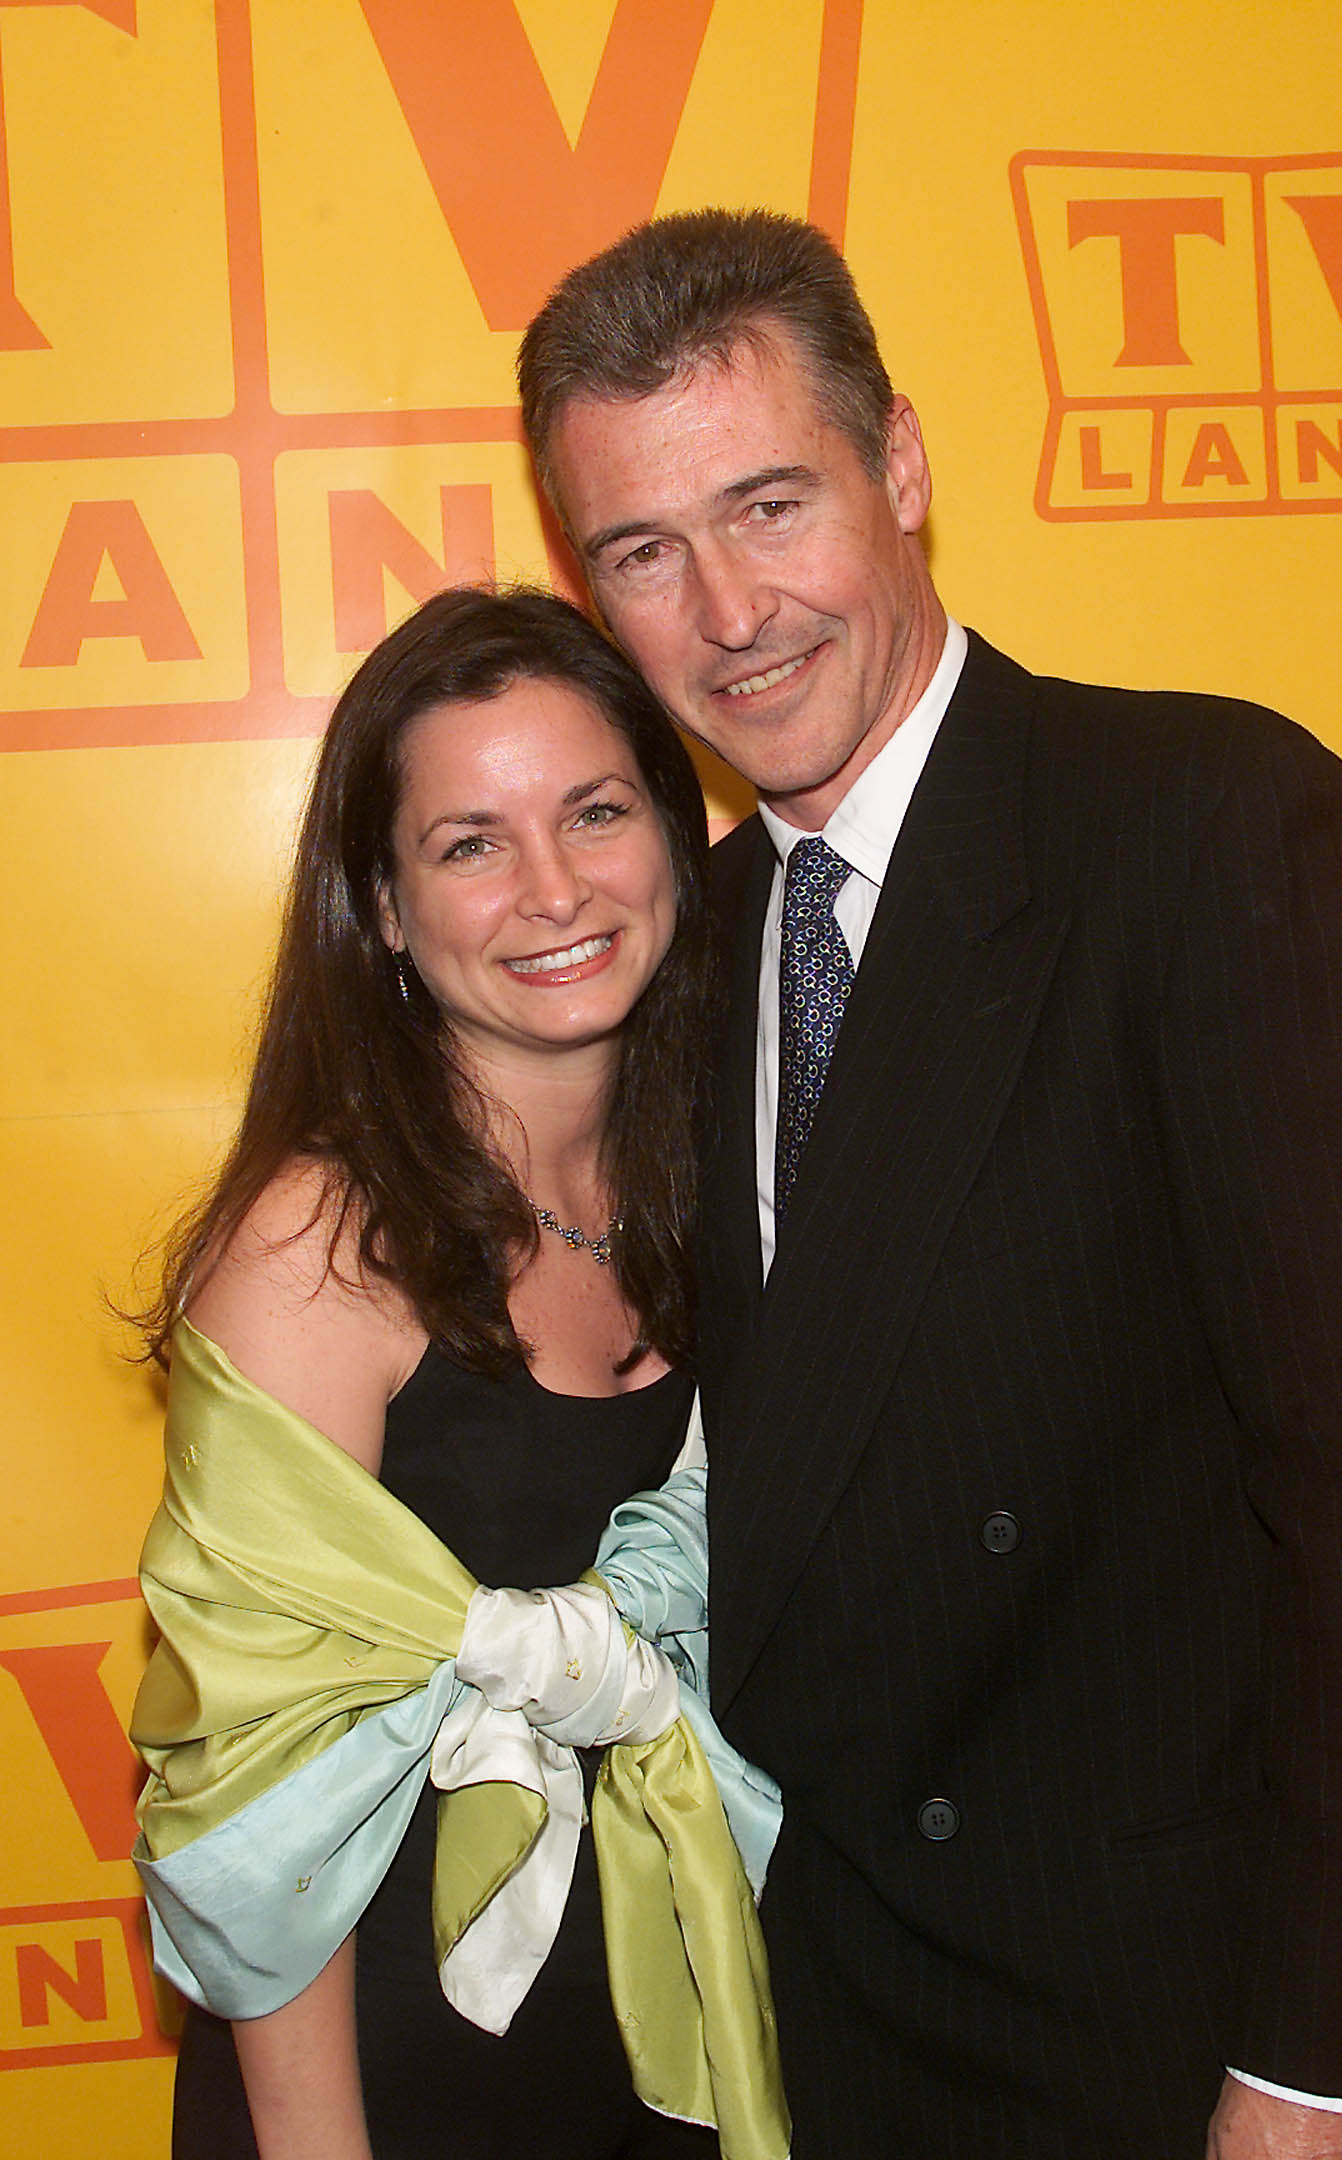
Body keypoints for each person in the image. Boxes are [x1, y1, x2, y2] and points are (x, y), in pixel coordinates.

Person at [517, 210, 1342, 2158]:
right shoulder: (695, 956)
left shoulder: (1202, 830)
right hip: (828, 2047)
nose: (730, 609)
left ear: (905, 468)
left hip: (1167, 2051)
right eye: (644, 552)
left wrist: (1332, 2065)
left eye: (771, 505)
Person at [127, 586, 788, 2160]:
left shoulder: (739, 1186)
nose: (553, 890)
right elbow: (253, 1814)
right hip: (386, 2088)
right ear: (385, 905)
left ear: (677, 840)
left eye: (597, 812)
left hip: (677, 2038)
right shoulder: (320, 1247)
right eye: (471, 843)